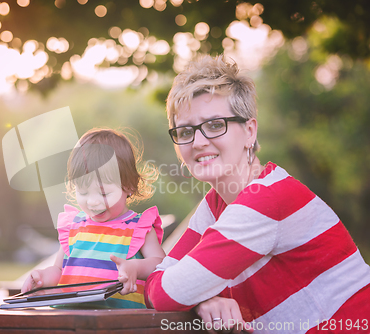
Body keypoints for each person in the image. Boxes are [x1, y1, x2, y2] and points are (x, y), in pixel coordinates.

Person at [144, 54, 370, 333]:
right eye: (185, 131)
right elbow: (157, 283)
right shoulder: (216, 205)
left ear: (250, 131)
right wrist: (203, 300)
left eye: (215, 125)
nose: (199, 142)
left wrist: (189, 294)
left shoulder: (266, 200)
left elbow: (166, 292)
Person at [22, 128, 165, 309]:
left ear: (128, 185)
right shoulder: (73, 227)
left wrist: (136, 267)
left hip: (121, 323)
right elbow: (59, 270)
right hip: (70, 320)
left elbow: (160, 265)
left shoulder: (139, 228)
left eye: (103, 192)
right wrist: (41, 278)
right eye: (83, 192)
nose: (93, 202)